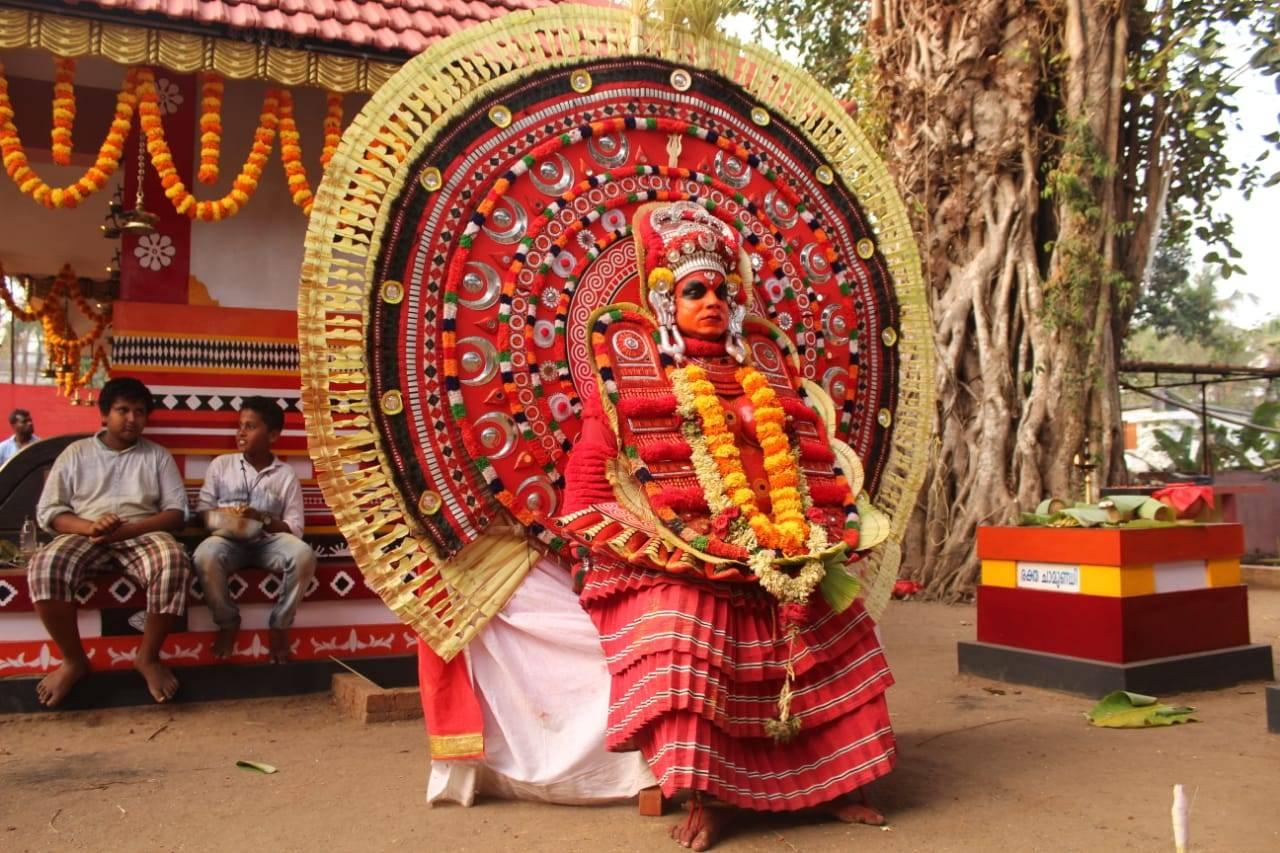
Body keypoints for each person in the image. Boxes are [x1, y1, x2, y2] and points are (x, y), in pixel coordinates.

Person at [558, 202, 896, 849]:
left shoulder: (765, 378)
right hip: (677, 552)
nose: (711, 301)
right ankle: (708, 796)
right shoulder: (636, 378)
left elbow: (811, 469)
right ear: (665, 303)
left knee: (839, 625)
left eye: (721, 289)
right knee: (687, 622)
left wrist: (805, 541)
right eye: (694, 290)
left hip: (778, 547)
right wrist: (662, 544)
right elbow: (591, 492)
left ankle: (839, 784)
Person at [28, 376, 190, 706]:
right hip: (84, 532)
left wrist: (129, 530)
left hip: (141, 533)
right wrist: (89, 527)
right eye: (123, 410)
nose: (132, 418)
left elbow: (176, 512)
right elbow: (50, 511)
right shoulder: (76, 454)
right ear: (104, 414)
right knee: (45, 567)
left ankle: (147, 657)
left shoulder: (157, 456)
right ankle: (73, 660)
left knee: (174, 560)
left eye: (140, 412)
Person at [193, 396, 314, 664]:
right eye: (240, 426)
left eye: (250, 427)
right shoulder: (221, 465)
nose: (241, 433)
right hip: (227, 539)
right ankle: (227, 623)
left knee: (303, 554)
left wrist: (263, 520)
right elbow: (203, 512)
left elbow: (295, 527)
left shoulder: (285, 474)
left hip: (268, 542)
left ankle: (280, 626)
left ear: (272, 435)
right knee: (205, 556)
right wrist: (226, 519)